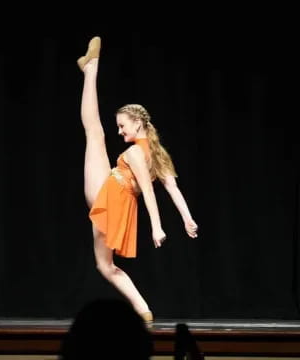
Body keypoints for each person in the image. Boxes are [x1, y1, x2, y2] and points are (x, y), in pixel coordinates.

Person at [77, 36, 198, 326]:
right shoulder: (156, 154)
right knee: (105, 266)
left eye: (122, 125)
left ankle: (91, 69)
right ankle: (143, 310)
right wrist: (188, 219)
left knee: (94, 132)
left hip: (110, 195)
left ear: (138, 122)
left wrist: (157, 227)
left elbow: (147, 189)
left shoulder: (133, 152)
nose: (120, 131)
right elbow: (172, 187)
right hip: (119, 200)